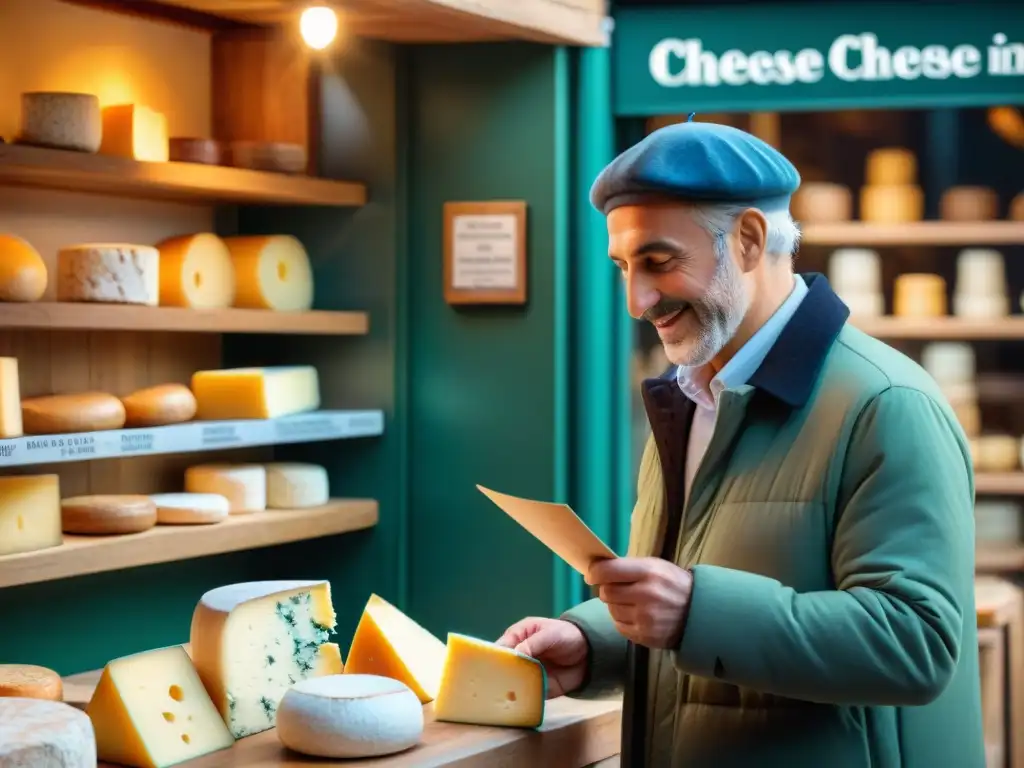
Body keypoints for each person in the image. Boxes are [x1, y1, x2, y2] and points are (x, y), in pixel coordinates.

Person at [496, 120, 984, 767]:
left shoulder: (888, 405)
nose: (636, 301)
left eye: (658, 262)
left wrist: (695, 610)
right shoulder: (692, 395)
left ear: (750, 240)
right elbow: (690, 608)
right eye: (622, 267)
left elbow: (917, 645)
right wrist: (595, 641)